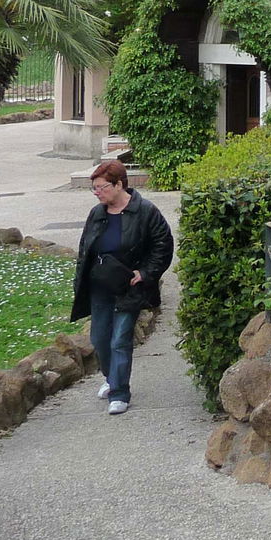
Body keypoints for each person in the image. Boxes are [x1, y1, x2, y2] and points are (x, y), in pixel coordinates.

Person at [69, 160, 173, 416]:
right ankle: (111, 378)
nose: (97, 193)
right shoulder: (97, 213)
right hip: (100, 285)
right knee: (99, 338)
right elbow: (85, 249)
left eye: (101, 187)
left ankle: (120, 393)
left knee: (120, 339)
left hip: (129, 287)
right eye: (94, 189)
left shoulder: (145, 211)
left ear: (118, 184)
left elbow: (163, 245)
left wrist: (145, 273)